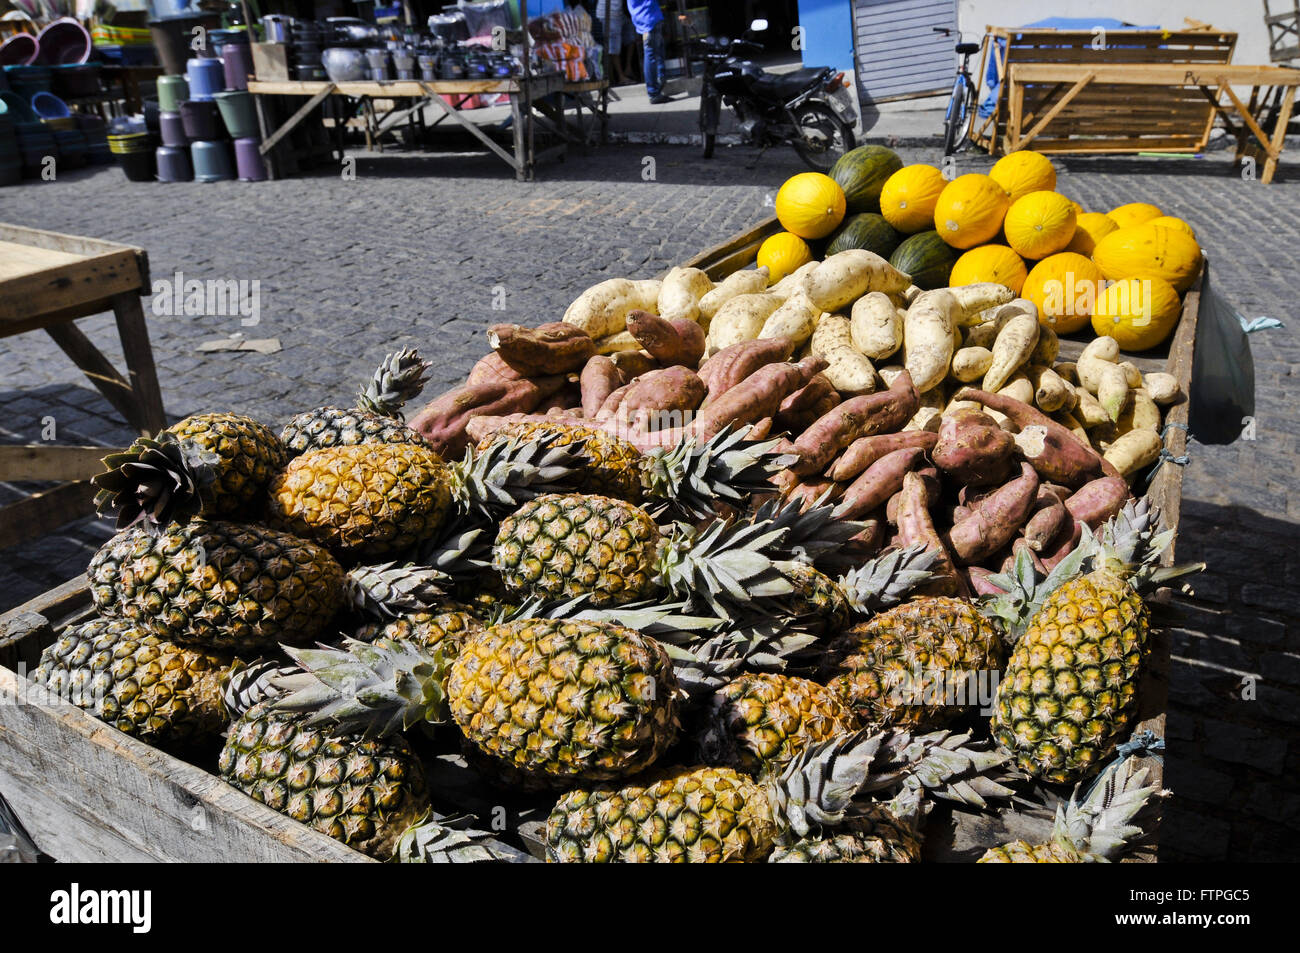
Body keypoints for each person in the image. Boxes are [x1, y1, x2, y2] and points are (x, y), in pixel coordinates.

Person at [627, 0, 669, 103]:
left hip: (645, 17)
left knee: (653, 53)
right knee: (651, 55)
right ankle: (653, 92)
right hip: (649, 17)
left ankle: (657, 85)